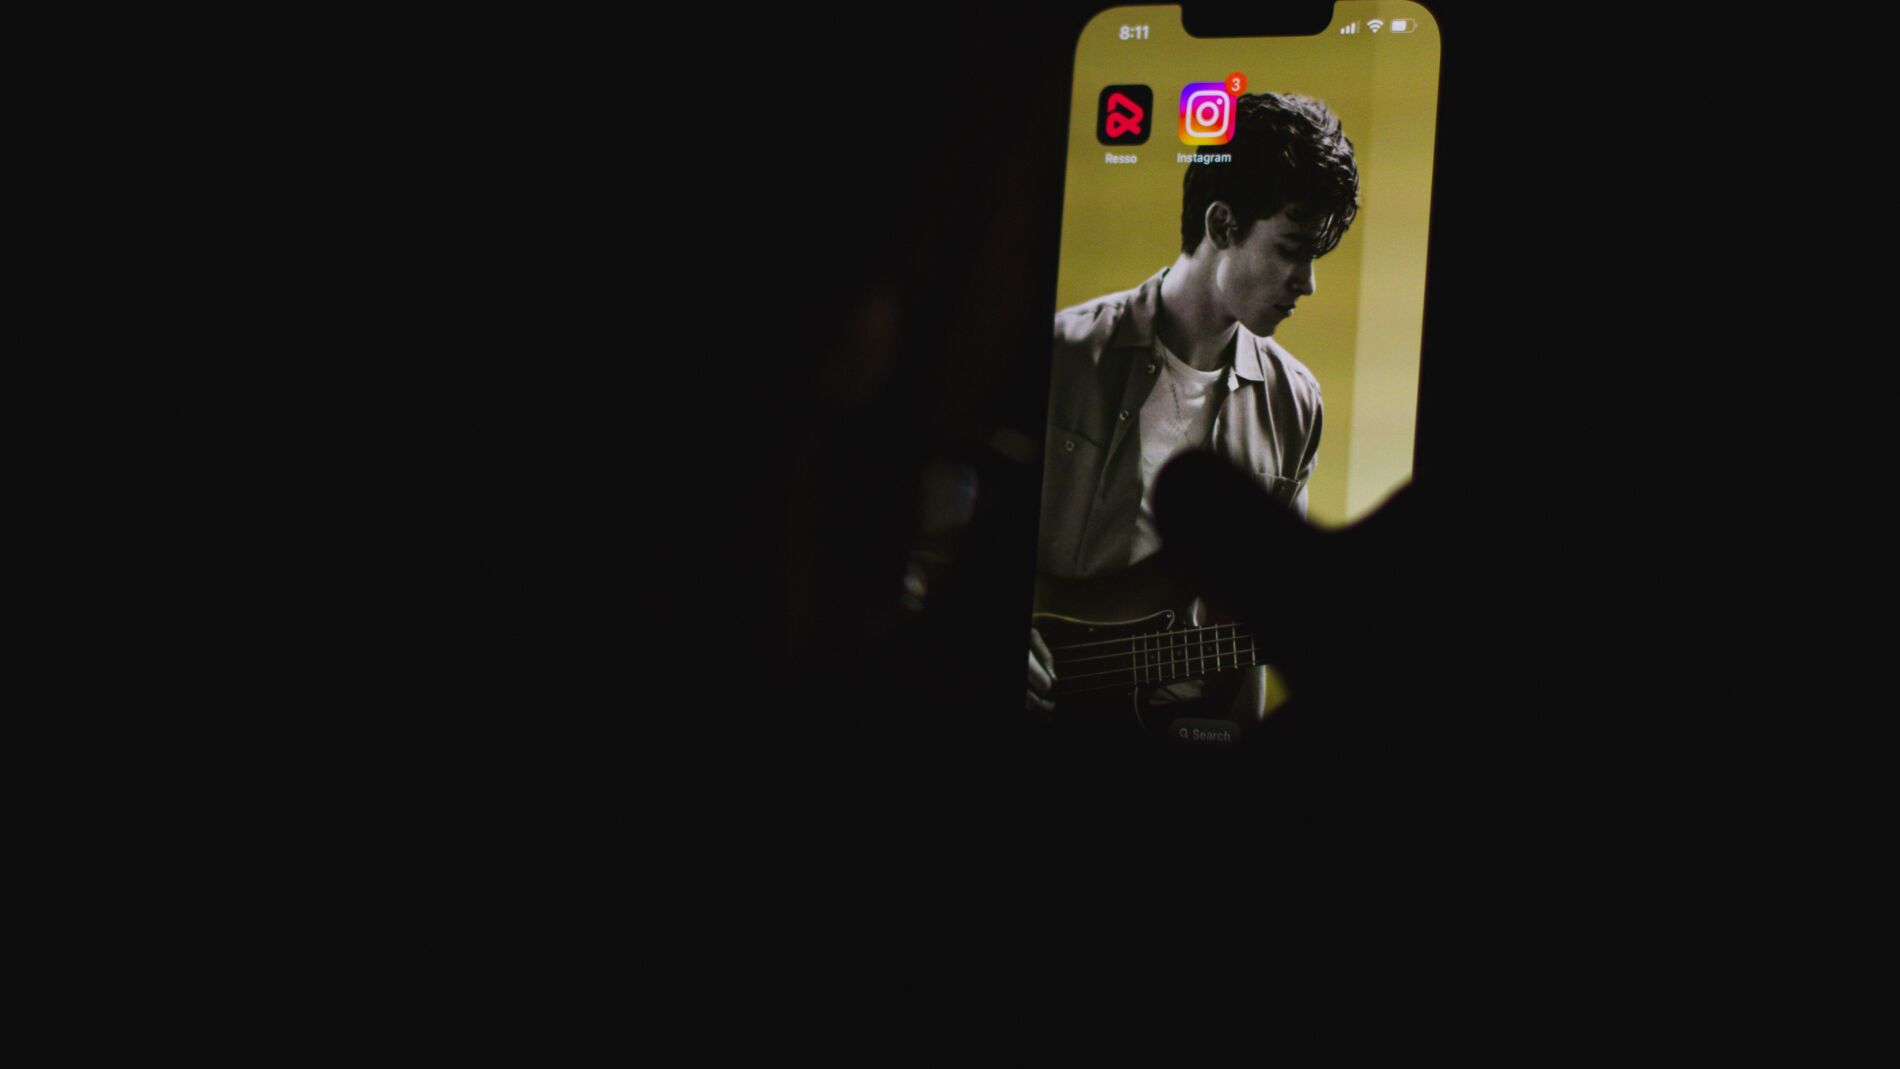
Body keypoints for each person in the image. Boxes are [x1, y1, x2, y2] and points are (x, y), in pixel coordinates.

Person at [1027, 92, 1360, 720]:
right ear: (1222, 225)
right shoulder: (1063, 353)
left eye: (1314, 257)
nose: (1308, 282)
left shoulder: (1296, 404)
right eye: (1292, 248)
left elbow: (1258, 623)